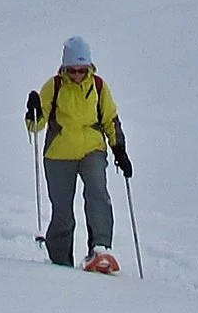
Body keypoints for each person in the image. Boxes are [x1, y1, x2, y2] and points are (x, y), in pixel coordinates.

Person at [23, 35, 130, 273]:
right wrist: (33, 111)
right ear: (65, 67)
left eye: (82, 70)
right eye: (73, 70)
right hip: (59, 153)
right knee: (62, 209)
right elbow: (37, 126)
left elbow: (110, 119)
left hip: (92, 149)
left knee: (97, 194)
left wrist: (119, 149)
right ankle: (60, 260)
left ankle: (100, 248)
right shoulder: (54, 86)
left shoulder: (99, 86)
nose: (77, 75)